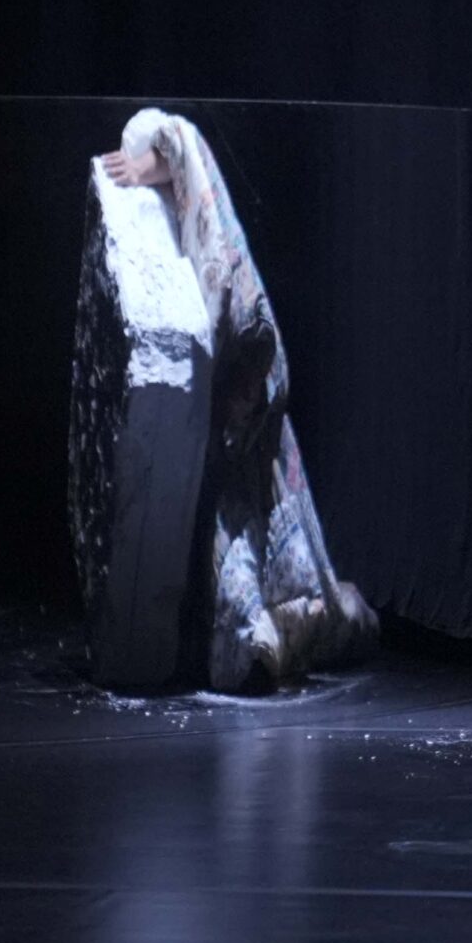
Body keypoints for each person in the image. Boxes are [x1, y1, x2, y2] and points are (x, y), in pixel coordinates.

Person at [101, 109, 380, 693]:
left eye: (154, 166)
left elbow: (255, 329)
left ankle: (265, 637)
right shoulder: (165, 246)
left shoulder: (215, 241)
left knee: (250, 567)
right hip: (204, 432)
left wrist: (237, 402)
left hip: (243, 436)